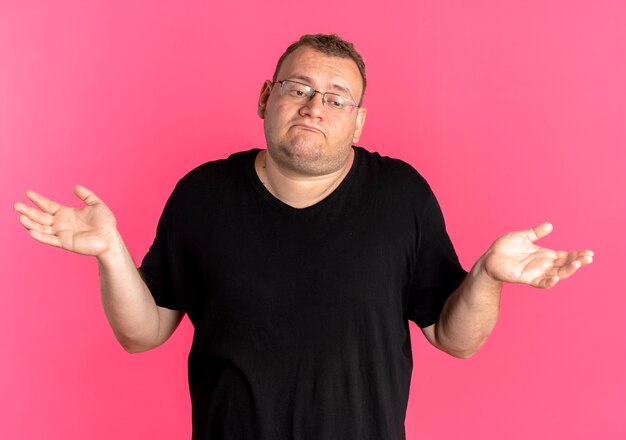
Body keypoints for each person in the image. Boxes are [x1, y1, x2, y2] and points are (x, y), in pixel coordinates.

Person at [14, 34, 593, 440]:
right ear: (267, 96)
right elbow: (144, 333)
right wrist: (111, 252)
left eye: (337, 97)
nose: (316, 106)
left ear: (358, 120)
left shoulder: (402, 196)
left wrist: (487, 275)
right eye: (299, 87)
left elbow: (455, 337)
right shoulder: (203, 194)